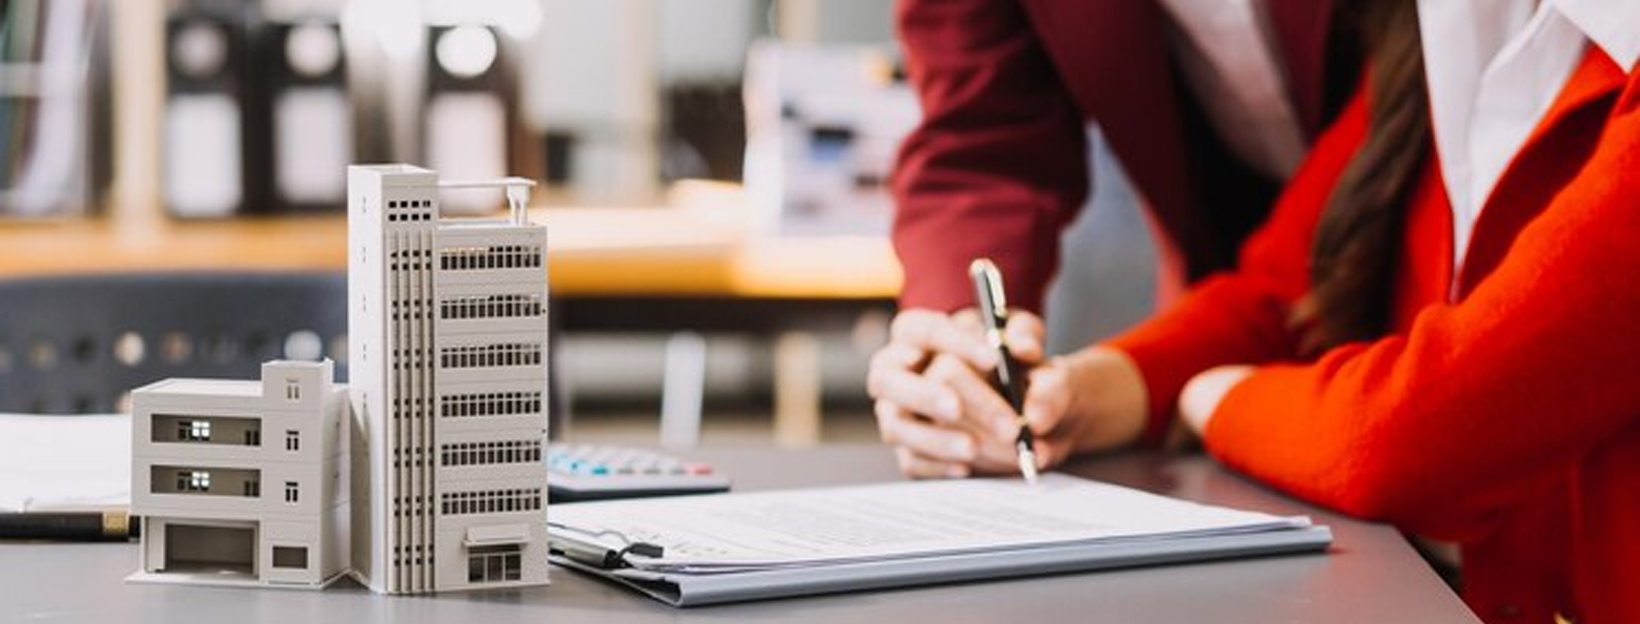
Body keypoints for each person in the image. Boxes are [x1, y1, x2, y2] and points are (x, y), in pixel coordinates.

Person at [872, 0, 1640, 622]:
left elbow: (1416, 435)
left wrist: (1212, 395)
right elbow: (1281, 288)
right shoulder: (1443, 39)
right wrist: (1092, 387)